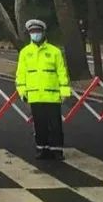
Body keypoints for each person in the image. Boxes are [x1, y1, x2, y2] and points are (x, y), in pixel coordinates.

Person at [16, 19, 71, 161]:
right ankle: (41, 149)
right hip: (35, 96)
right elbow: (21, 74)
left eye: (37, 31)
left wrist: (64, 91)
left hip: (52, 95)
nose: (35, 34)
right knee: (39, 125)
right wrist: (22, 92)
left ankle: (57, 150)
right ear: (29, 34)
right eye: (32, 32)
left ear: (43, 32)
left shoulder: (55, 51)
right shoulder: (25, 52)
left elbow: (62, 72)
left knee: (55, 125)